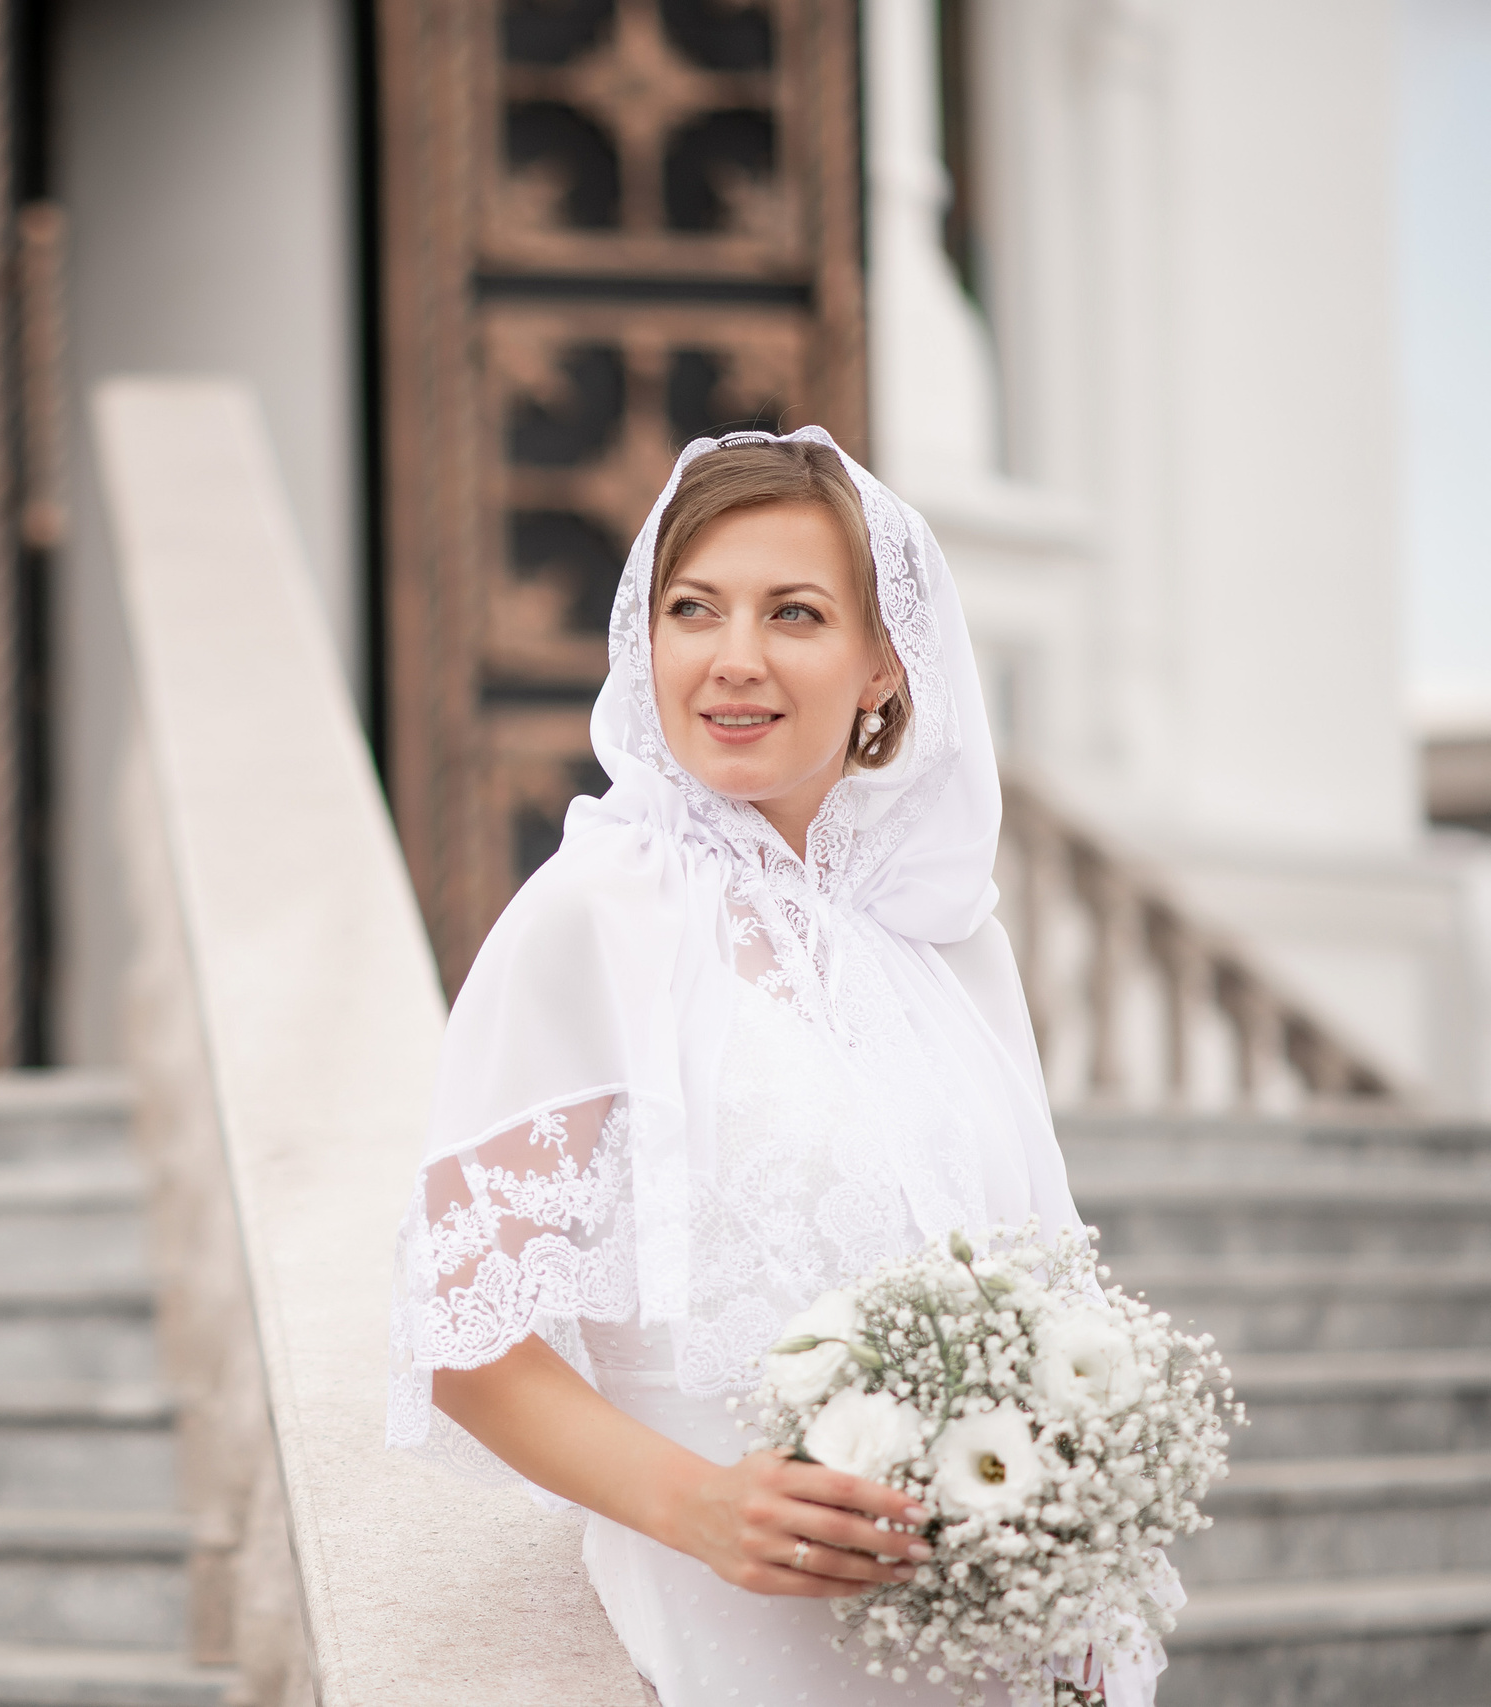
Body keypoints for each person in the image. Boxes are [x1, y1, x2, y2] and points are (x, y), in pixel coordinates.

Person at [388, 429, 1170, 1705]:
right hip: (742, 1636)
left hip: (987, 1641)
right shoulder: (595, 914)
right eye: (692, 609)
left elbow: (1041, 1290)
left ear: (881, 670)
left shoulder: (943, 948)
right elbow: (464, 1335)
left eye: (793, 614)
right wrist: (700, 1507)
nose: (733, 657)